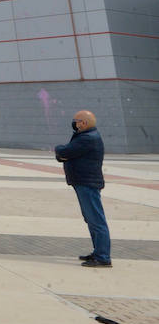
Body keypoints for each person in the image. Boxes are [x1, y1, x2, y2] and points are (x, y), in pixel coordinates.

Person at [55, 110, 110, 268]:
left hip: (87, 184)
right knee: (91, 219)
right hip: (84, 182)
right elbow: (65, 154)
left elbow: (64, 151)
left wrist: (61, 151)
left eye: (77, 121)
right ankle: (98, 252)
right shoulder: (87, 137)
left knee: (96, 220)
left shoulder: (87, 138)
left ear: (83, 123)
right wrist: (64, 154)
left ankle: (103, 256)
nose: (75, 123)